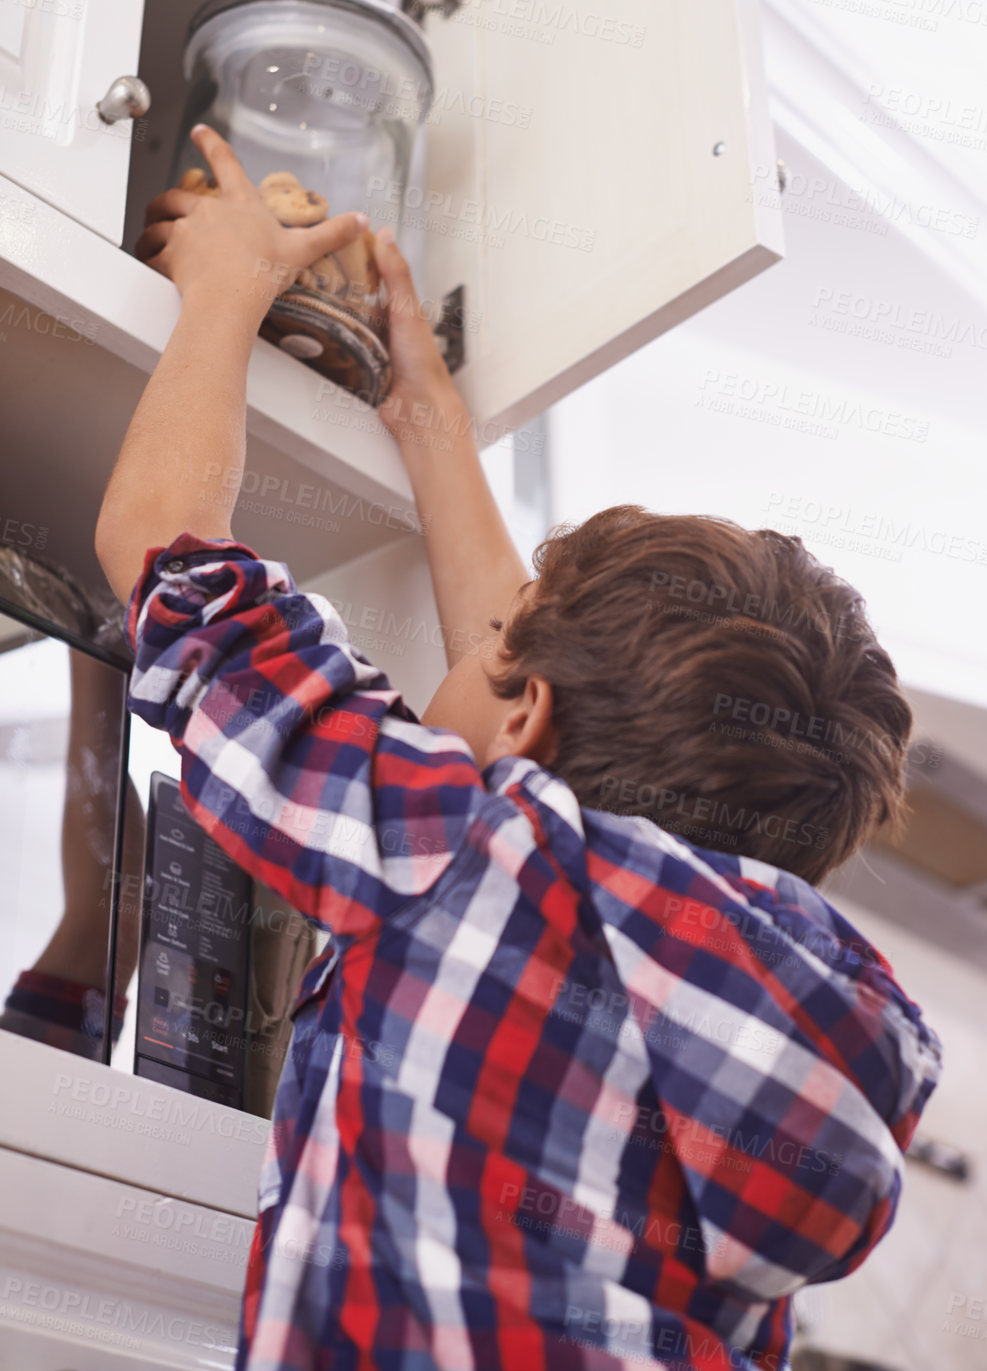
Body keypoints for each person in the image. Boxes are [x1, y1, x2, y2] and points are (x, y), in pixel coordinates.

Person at [95, 125, 941, 1371]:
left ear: (524, 721)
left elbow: (171, 559)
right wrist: (425, 410)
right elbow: (524, 696)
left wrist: (224, 290)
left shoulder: (467, 859)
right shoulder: (804, 1025)